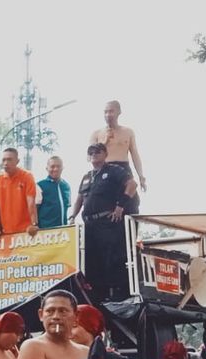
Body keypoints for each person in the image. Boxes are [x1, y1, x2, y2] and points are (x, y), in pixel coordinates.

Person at [72, 143, 138, 302]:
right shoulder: (87, 176)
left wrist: (120, 205)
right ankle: (97, 295)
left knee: (112, 258)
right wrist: (72, 215)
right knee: (91, 260)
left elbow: (132, 184)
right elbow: (80, 198)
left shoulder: (114, 170)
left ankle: (117, 293)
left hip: (107, 221)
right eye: (91, 152)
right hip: (89, 223)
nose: (94, 154)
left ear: (105, 154)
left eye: (98, 151)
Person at [89, 100, 146, 208]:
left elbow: (135, 154)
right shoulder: (97, 133)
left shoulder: (128, 132)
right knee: (106, 203)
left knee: (131, 202)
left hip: (123, 167)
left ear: (118, 112)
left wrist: (141, 175)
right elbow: (89, 156)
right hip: (104, 169)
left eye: (111, 111)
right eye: (105, 112)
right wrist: (104, 142)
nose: (108, 115)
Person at [0, 148, 37, 239]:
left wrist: (34, 224)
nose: (6, 163)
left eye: (9, 159)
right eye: (4, 160)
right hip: (6, 233)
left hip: (26, 231)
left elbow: (31, 203)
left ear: (17, 161)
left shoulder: (27, 176)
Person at [36, 156, 71, 231]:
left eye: (58, 166)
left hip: (63, 232)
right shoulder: (40, 185)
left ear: (62, 168)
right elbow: (34, 208)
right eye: (52, 166)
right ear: (47, 168)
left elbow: (66, 207)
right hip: (45, 231)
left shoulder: (66, 186)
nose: (55, 169)